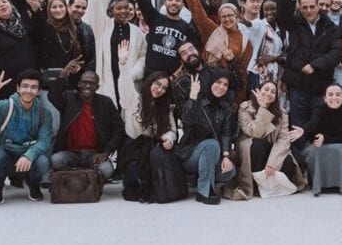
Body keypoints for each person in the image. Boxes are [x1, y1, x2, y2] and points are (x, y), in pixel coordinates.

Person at [0, 69, 52, 204]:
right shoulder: (5, 106)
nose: (28, 91)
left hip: (28, 155)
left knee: (43, 161)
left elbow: (44, 140)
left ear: (39, 91)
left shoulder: (44, 113)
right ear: (18, 87)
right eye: (25, 86)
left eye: (33, 87)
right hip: (5, 152)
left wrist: (28, 155)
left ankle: (33, 184)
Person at [277, 0, 342, 128]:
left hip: (320, 83)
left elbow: (336, 53)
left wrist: (315, 65)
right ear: (299, 7)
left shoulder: (331, 28)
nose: (309, 10)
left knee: (317, 124)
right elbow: (282, 13)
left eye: (312, 7)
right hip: (298, 83)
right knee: (297, 123)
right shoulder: (294, 24)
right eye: (305, 7)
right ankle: (299, 153)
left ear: (318, 7)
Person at [49, 64, 126, 184]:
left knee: (107, 170)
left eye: (92, 83)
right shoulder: (68, 98)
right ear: (79, 84)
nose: (88, 86)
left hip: (95, 154)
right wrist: (63, 75)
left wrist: (106, 152)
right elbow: (52, 95)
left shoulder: (106, 103)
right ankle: (74, 182)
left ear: (97, 87)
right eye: (85, 82)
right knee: (56, 160)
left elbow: (119, 129)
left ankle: (90, 183)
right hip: (71, 152)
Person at [88, 0, 147, 110]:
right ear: (111, 11)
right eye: (119, 8)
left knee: (128, 115)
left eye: (126, 8)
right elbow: (94, 6)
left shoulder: (137, 32)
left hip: (129, 80)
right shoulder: (104, 26)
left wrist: (134, 72)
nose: (123, 11)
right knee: (109, 114)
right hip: (107, 79)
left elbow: (143, 55)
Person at [232, 81, 306, 200]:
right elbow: (255, 133)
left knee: (287, 161)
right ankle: (256, 185)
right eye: (265, 89)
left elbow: (283, 139)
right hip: (251, 146)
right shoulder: (245, 107)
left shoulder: (281, 113)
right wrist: (263, 108)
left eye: (273, 92)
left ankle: (272, 186)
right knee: (258, 145)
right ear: (258, 91)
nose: (269, 93)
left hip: (273, 147)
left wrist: (272, 164)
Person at [176, 70, 237, 205]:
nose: (221, 87)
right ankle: (204, 192)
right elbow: (186, 121)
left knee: (230, 171)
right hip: (190, 155)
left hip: (212, 156)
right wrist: (192, 96)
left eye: (225, 85)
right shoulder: (197, 102)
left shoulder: (225, 108)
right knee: (211, 144)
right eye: (218, 82)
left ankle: (198, 178)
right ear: (211, 83)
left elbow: (226, 133)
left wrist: (226, 156)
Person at [119, 55, 174, 202]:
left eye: (164, 88)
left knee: (156, 185)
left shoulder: (165, 107)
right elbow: (124, 83)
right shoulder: (134, 97)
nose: (160, 89)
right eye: (158, 84)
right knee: (132, 185)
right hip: (132, 146)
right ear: (150, 82)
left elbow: (172, 129)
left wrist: (169, 138)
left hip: (152, 147)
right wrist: (123, 64)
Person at [302, 83, 342, 195]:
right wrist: (304, 131)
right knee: (314, 150)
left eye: (338, 95)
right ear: (325, 98)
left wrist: (325, 138)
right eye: (330, 95)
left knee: (340, 149)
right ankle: (317, 185)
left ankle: (339, 184)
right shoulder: (318, 110)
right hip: (316, 143)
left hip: (336, 143)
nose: (334, 98)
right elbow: (312, 126)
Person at [203, 3, 253, 105]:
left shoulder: (245, 42)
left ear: (236, 16)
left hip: (228, 90)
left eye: (230, 15)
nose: (227, 19)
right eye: (223, 16)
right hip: (207, 84)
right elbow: (199, 16)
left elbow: (242, 72)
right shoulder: (214, 32)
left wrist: (239, 99)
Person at [37, 0, 84, 88]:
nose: (58, 10)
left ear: (66, 8)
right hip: (50, 81)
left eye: (61, 6)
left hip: (71, 81)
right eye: (54, 7)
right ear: (49, 10)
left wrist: (79, 66)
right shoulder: (45, 28)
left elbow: (83, 54)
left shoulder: (75, 29)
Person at [67, 0, 97, 75]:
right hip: (62, 75)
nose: (80, 10)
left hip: (82, 76)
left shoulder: (88, 29)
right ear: (68, 6)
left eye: (83, 8)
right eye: (77, 7)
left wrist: (84, 70)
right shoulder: (59, 26)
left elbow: (92, 57)